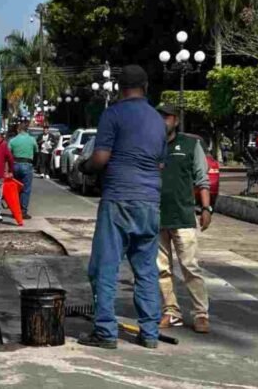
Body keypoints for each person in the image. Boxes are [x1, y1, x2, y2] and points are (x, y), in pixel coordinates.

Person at [76, 65, 166, 350]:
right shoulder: (157, 120)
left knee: (104, 266)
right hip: (150, 201)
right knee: (146, 269)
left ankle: (105, 331)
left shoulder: (112, 114)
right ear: (146, 86)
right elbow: (160, 164)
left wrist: (85, 166)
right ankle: (149, 333)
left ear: (118, 87)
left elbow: (101, 157)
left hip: (118, 199)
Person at [156, 103, 213, 334]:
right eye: (159, 117)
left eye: (166, 118)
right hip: (156, 217)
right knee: (161, 269)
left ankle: (201, 313)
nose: (162, 122)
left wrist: (206, 209)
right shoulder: (151, 145)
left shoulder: (190, 145)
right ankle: (171, 311)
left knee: (190, 267)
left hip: (183, 216)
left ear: (175, 121)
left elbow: (202, 178)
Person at [9, 121, 38, 220]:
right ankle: (23, 211)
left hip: (15, 165)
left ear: (18, 130)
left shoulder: (12, 140)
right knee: (26, 189)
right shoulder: (32, 140)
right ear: (27, 130)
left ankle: (15, 210)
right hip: (27, 165)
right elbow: (36, 151)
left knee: (16, 189)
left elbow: (8, 154)